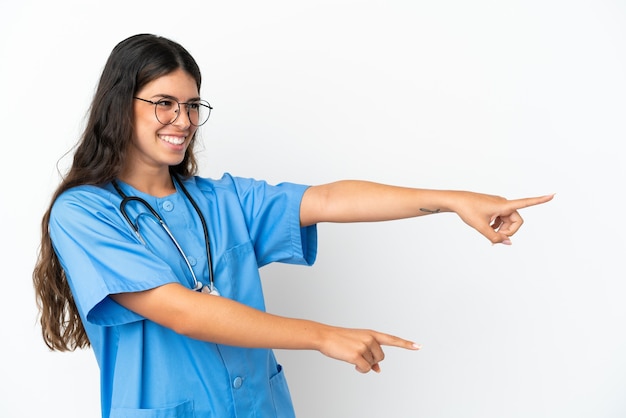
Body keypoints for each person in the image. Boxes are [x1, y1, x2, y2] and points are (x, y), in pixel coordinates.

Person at [32, 33, 553, 418]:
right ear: (121, 105)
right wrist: (324, 335)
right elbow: (182, 311)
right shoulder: (84, 214)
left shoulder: (221, 199)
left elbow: (329, 198)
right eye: (164, 103)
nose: (183, 120)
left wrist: (452, 199)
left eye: (192, 105)